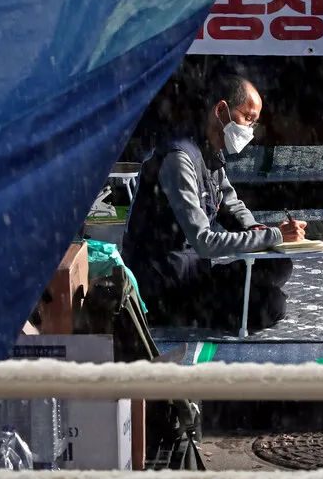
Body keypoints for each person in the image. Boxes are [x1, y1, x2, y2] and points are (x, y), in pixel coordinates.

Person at [122, 73, 306, 332]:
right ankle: (200, 309)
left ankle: (239, 295)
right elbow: (205, 242)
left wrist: (256, 229)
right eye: (248, 118)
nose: (250, 129)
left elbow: (230, 202)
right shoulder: (178, 160)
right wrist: (274, 235)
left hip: (194, 271)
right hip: (168, 286)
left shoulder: (208, 149)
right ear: (221, 110)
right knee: (273, 305)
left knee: (279, 263)